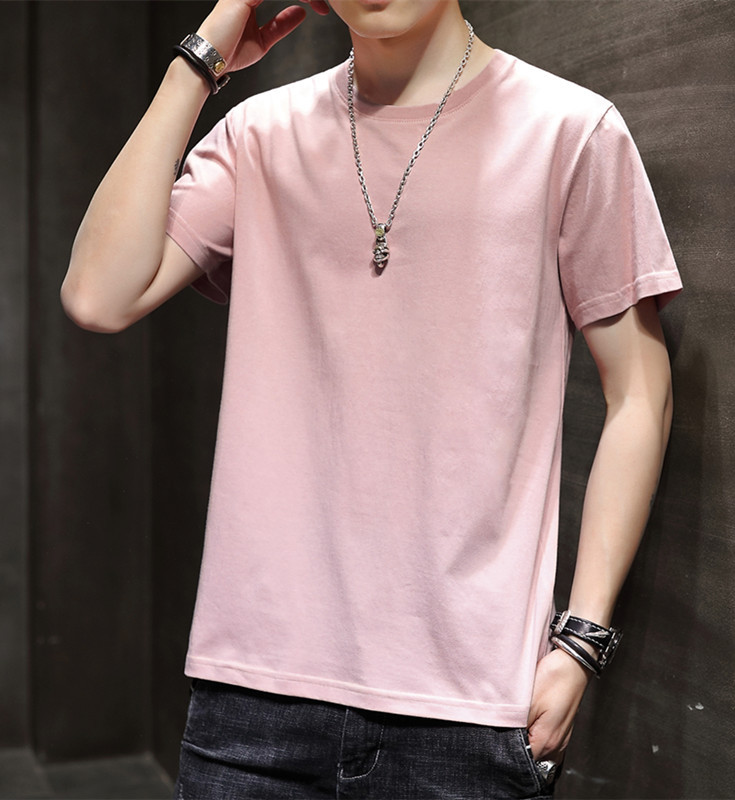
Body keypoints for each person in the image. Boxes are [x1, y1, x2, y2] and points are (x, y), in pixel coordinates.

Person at [63, 0, 682, 797]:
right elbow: (98, 294)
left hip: (468, 709)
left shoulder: (570, 131)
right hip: (253, 702)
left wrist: (581, 644)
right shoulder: (261, 136)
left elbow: (640, 396)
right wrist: (201, 59)